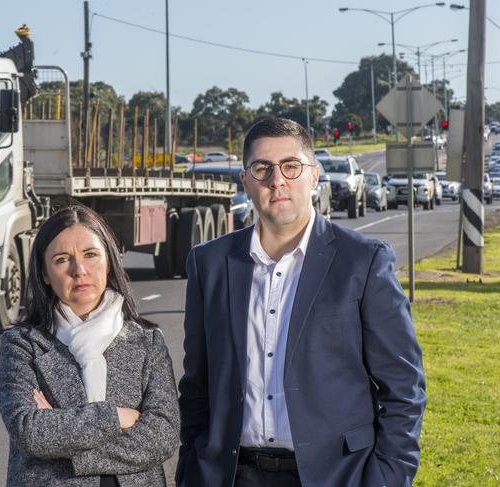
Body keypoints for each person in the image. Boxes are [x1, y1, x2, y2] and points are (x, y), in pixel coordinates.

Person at [176, 118, 426, 487]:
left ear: (314, 176)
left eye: (291, 166)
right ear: (245, 182)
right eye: (262, 168)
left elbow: (403, 386)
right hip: (233, 474)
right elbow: (197, 385)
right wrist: (190, 470)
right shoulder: (209, 264)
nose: (277, 179)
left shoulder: (363, 261)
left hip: (337, 475)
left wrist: (387, 477)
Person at [0, 204, 180, 487]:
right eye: (61, 259)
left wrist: (66, 446)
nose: (79, 270)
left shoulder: (147, 341)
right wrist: (116, 417)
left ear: (109, 261)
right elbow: (29, 430)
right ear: (45, 273)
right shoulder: (22, 344)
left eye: (91, 255)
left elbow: (163, 435)